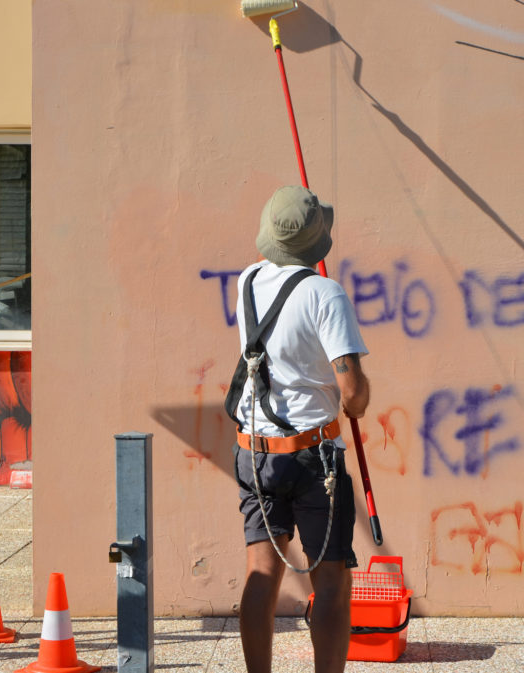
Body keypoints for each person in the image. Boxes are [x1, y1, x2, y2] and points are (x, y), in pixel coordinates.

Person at [228, 185, 370, 673]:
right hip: (314, 458)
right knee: (330, 582)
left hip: (253, 450)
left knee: (261, 572)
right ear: (317, 240)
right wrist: (357, 394)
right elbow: (353, 396)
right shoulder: (325, 293)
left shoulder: (246, 280)